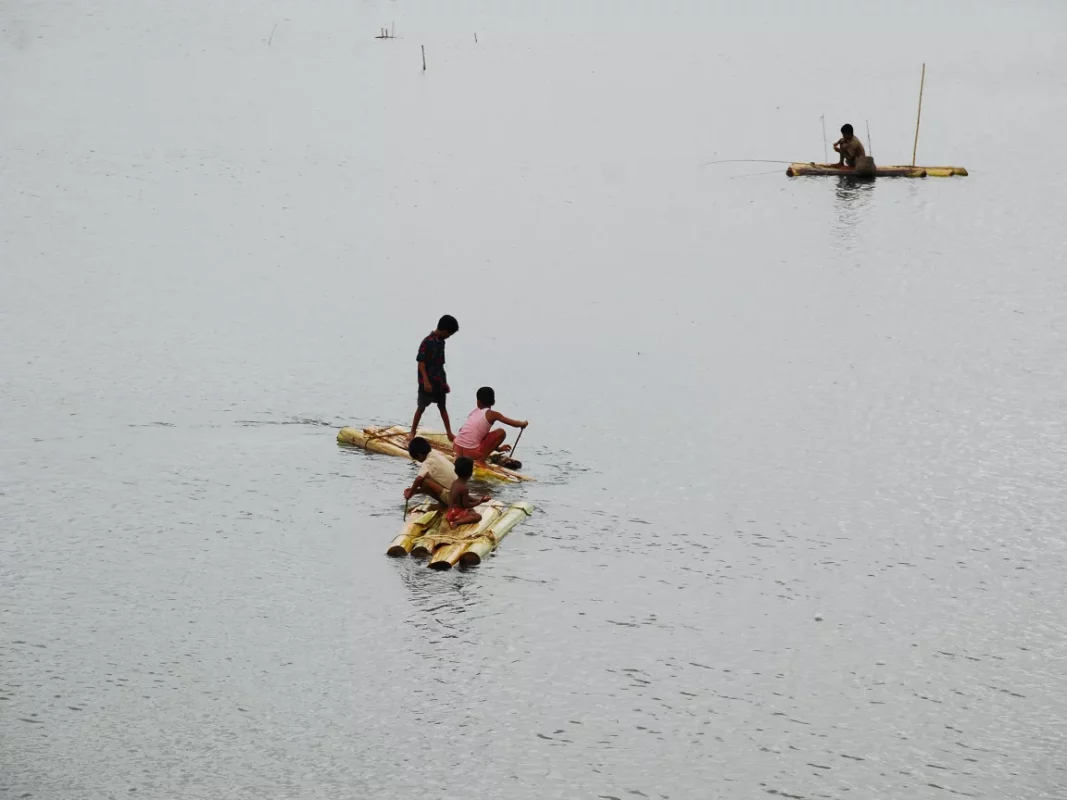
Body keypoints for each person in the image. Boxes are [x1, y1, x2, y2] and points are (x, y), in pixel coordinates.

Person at [409, 315, 459, 443]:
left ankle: (449, 433)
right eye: (449, 334)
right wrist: (425, 381)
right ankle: (412, 432)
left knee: (443, 407)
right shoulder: (427, 342)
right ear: (444, 331)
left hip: (439, 381)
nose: (449, 337)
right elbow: (421, 363)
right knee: (421, 407)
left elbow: (440, 363)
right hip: (427, 381)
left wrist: (444, 382)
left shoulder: (441, 341)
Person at [452, 386, 528, 462]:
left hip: (456, 447)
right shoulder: (493, 414)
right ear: (493, 402)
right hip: (471, 452)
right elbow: (513, 423)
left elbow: (467, 432)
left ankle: (464, 455)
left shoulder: (474, 412)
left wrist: (498, 449)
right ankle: (480, 461)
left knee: (480, 435)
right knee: (501, 432)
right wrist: (523, 423)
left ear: (478, 401)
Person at [403, 437, 455, 504]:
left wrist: (410, 493)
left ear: (419, 455)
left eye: (416, 458)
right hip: (459, 493)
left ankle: (444, 504)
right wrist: (416, 491)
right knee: (428, 477)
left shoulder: (427, 462)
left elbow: (419, 479)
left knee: (424, 481)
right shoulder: (434, 454)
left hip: (453, 498)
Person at [444, 457, 490, 529]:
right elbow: (467, 505)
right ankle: (457, 522)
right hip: (455, 514)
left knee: (472, 511)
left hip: (451, 511)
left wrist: (478, 499)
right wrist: (480, 502)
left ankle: (457, 518)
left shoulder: (455, 482)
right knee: (478, 517)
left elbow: (465, 497)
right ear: (470, 472)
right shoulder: (464, 487)